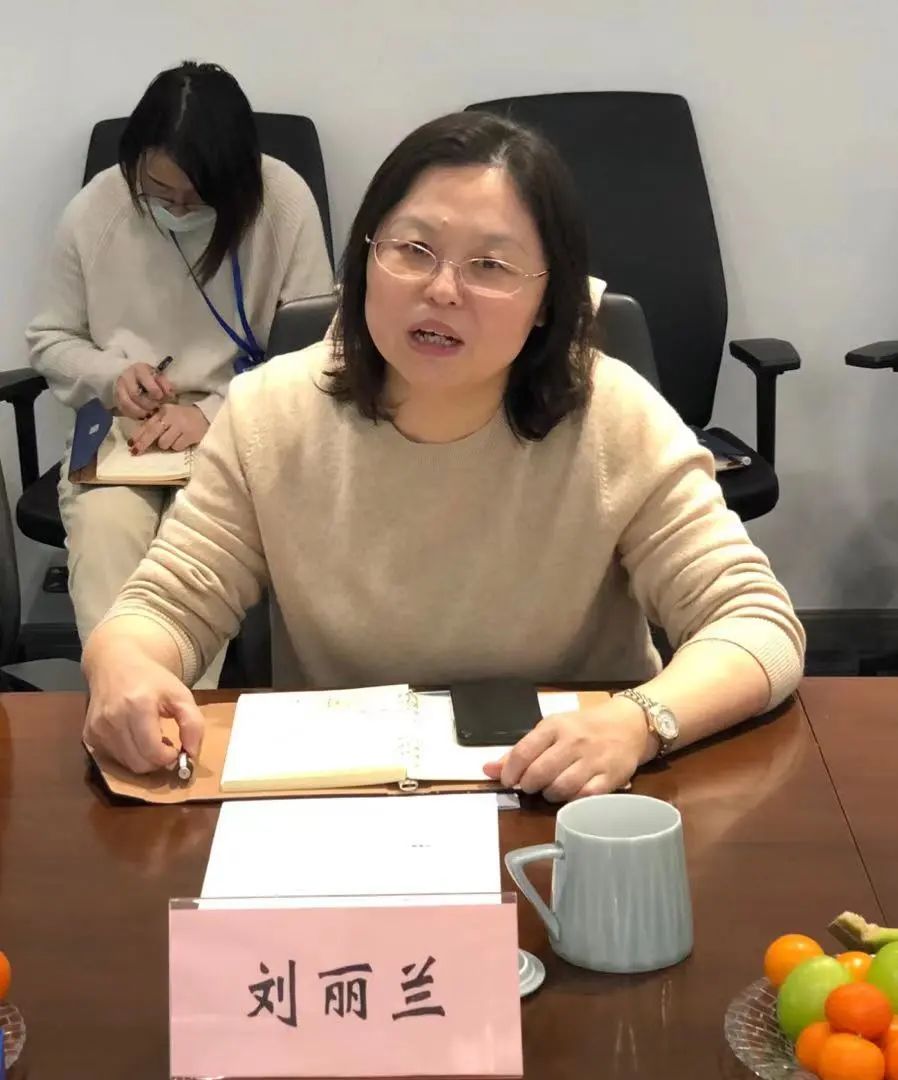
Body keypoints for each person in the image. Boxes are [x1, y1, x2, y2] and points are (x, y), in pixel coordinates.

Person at [81, 111, 805, 799]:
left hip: (573, 793)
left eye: (491, 265)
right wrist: (122, 664)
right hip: (345, 795)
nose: (442, 290)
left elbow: (756, 623)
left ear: (549, 300)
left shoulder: (614, 416)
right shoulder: (269, 413)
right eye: (413, 250)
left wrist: (639, 722)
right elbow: (166, 606)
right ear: (366, 260)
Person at [27, 61, 332, 684]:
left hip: (243, 424)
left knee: (196, 554)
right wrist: (111, 376)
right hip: (124, 433)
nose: (176, 208)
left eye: (196, 197)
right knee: (105, 535)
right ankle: (124, 703)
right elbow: (51, 339)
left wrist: (213, 412)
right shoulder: (97, 209)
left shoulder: (283, 203)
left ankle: (177, 719)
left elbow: (313, 353)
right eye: (159, 191)